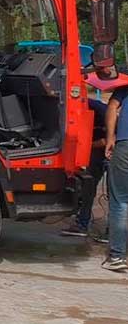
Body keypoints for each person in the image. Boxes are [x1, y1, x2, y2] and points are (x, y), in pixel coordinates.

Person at [62, 99, 107, 237]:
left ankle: (111, 233)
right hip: (95, 155)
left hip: (110, 154)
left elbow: (111, 139)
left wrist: (87, 146)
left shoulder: (102, 111)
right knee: (88, 188)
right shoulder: (76, 111)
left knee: (115, 195)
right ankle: (82, 224)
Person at [103, 87, 128, 271]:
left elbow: (112, 107)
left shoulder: (125, 84)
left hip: (125, 145)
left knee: (120, 201)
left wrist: (111, 136)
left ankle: (117, 256)